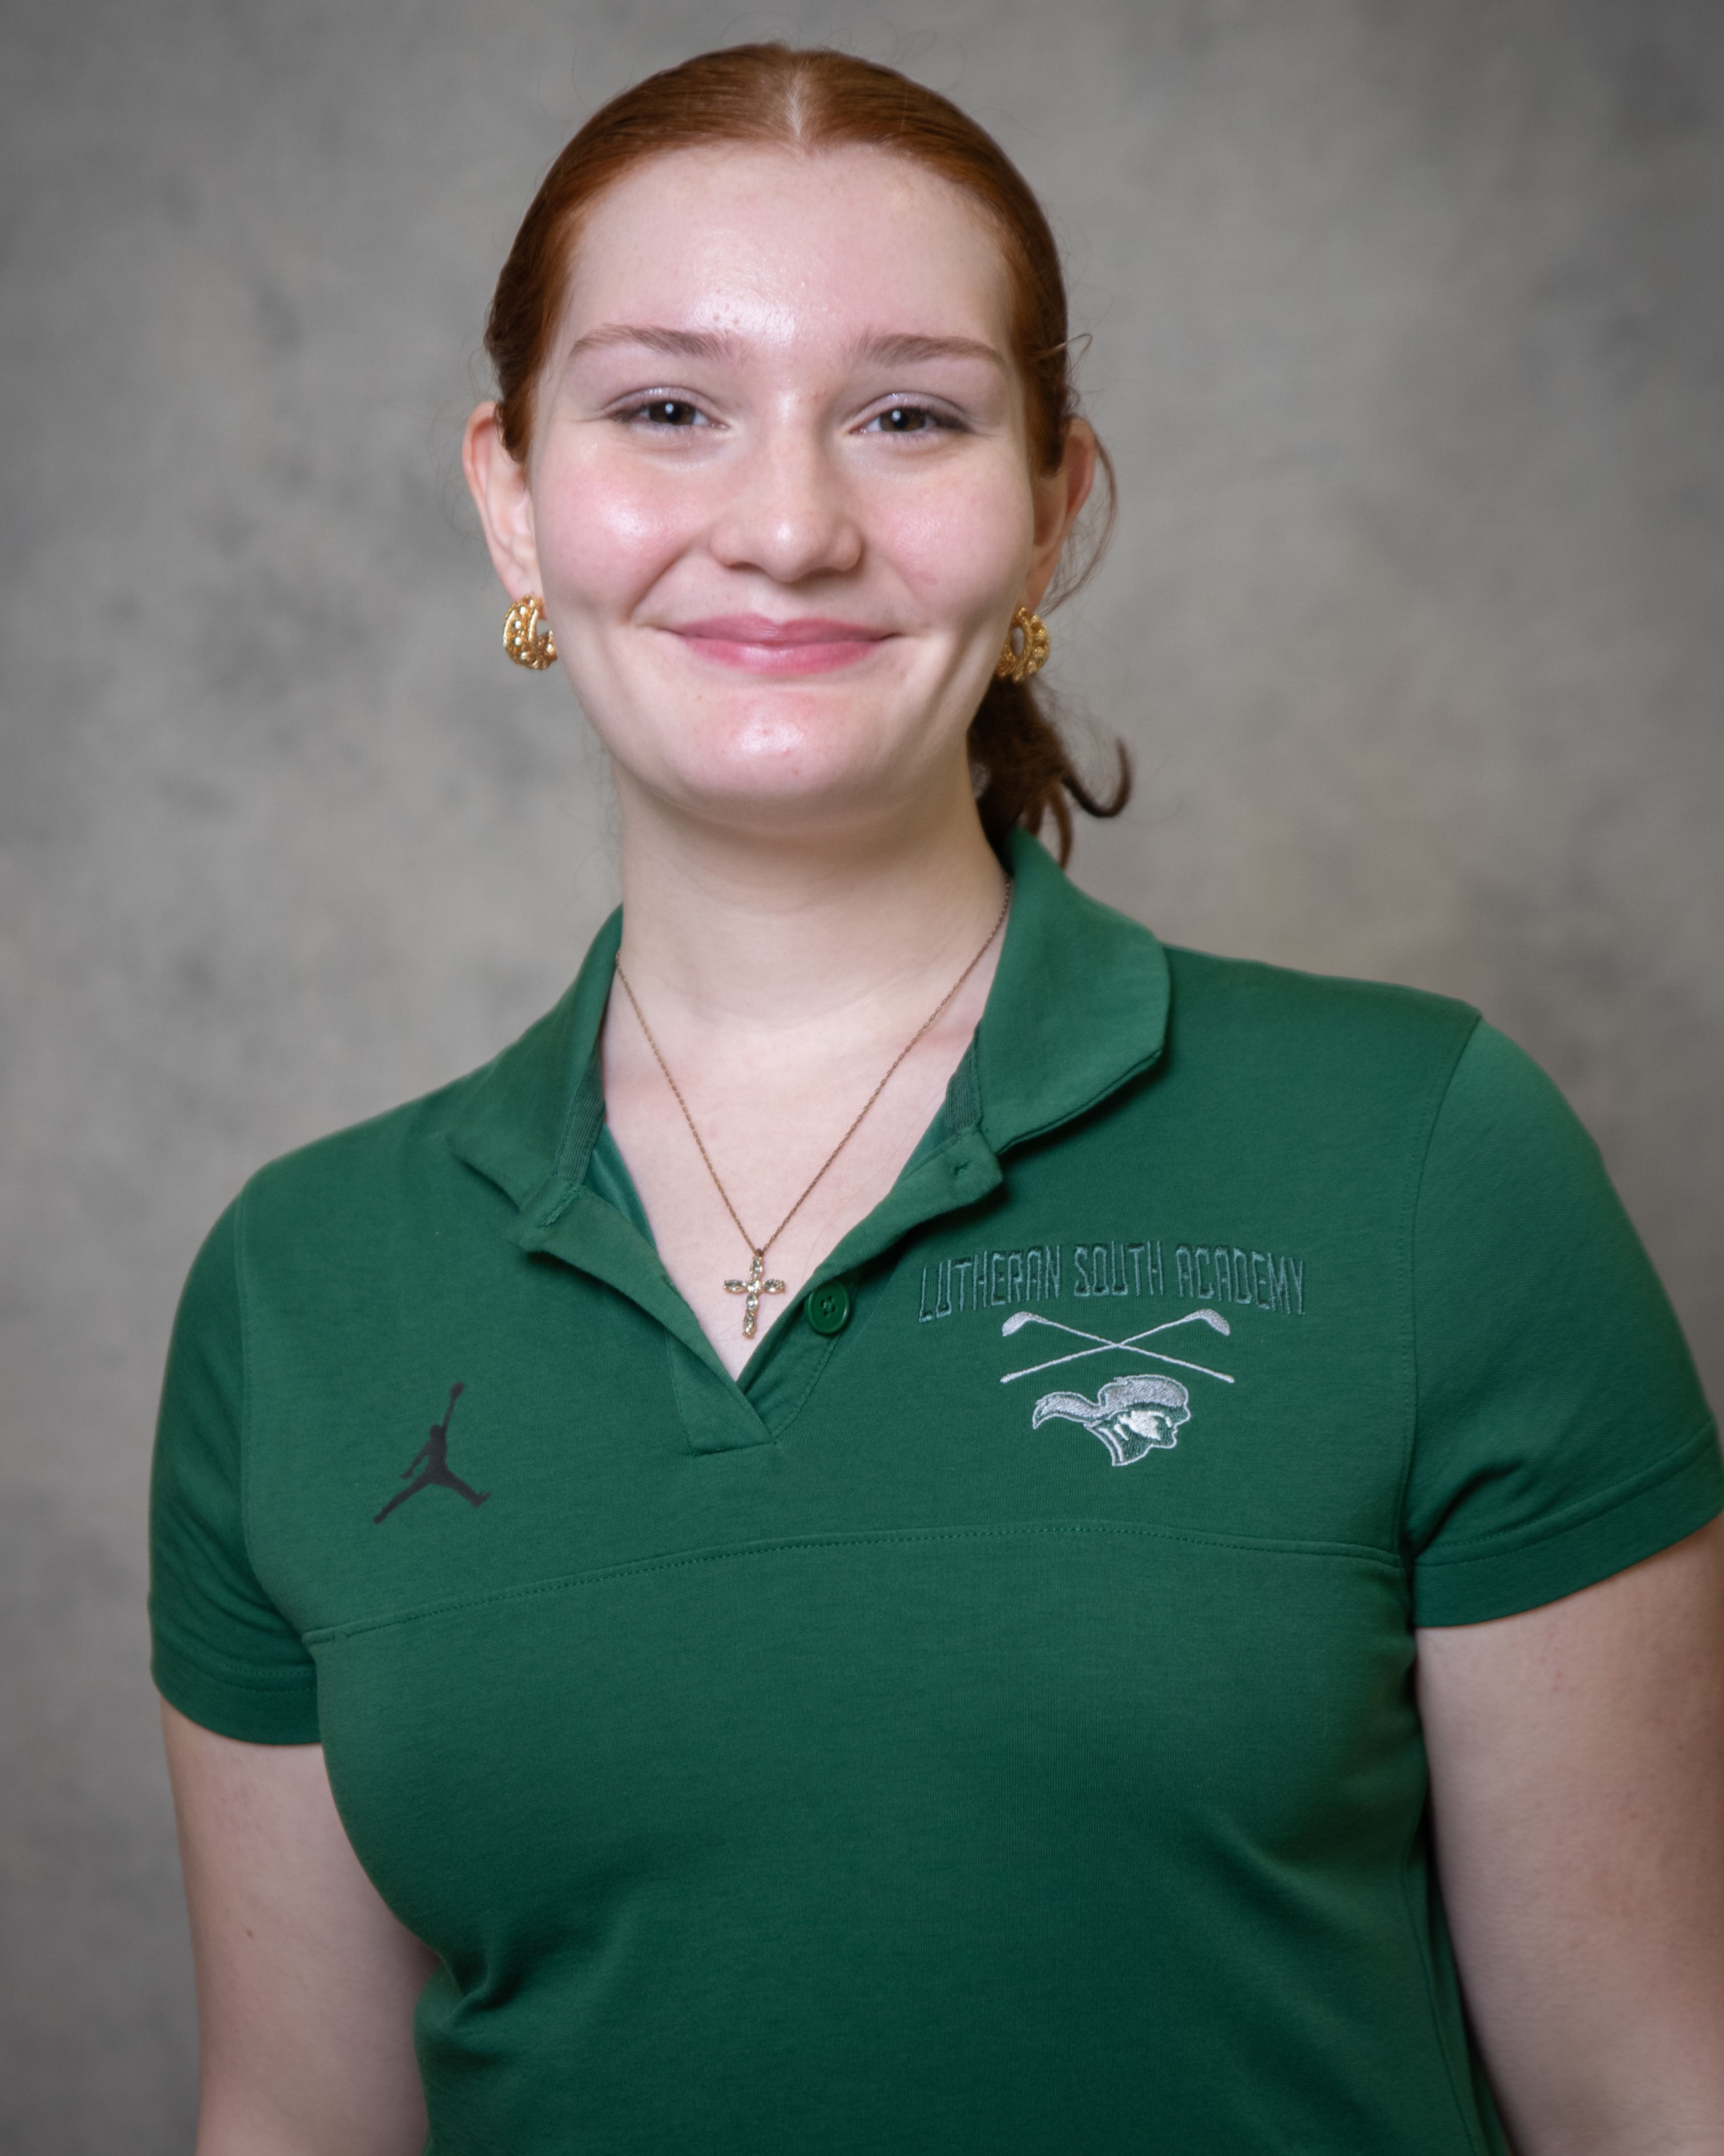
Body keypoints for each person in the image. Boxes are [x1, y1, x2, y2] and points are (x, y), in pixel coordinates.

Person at [149, 43, 1724, 2156]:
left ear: (1054, 509)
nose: (788, 526)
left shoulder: (1427, 1155)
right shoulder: (300, 1287)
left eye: (908, 415)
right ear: (513, 494)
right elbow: (294, 2123)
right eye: (667, 408)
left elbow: (1651, 2098)